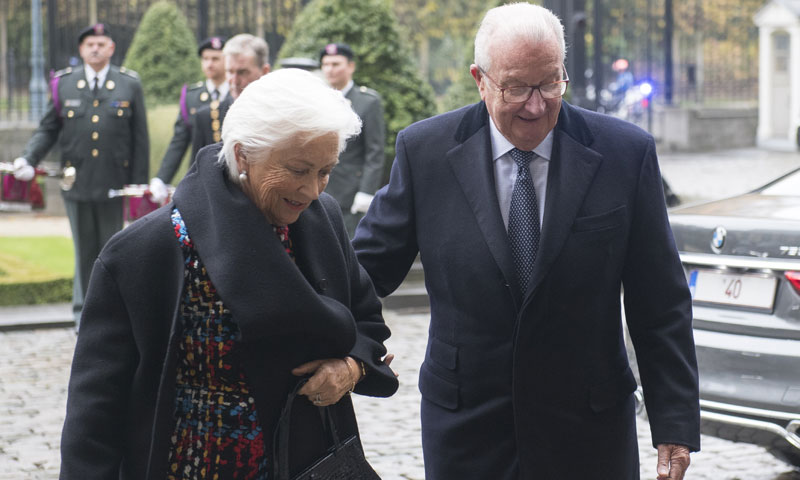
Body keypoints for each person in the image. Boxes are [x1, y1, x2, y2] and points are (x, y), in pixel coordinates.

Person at [352, 4, 699, 480]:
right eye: (516, 87)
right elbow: (365, 272)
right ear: (480, 79)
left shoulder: (624, 153)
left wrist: (674, 421)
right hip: (467, 429)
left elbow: (660, 301)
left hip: (588, 429)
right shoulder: (425, 152)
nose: (536, 106)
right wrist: (352, 345)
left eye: (550, 84)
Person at [60, 68, 399, 479]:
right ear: (242, 155)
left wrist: (350, 369)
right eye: (297, 169)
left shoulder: (320, 218)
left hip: (310, 462)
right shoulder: (145, 252)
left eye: (325, 171)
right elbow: (95, 413)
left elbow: (366, 322)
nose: (312, 190)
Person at [12, 23, 148, 326]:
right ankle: (83, 316)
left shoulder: (129, 84)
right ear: (81, 50)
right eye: (89, 44)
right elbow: (49, 128)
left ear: (111, 48)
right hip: (76, 182)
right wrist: (28, 157)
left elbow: (140, 138)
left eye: (101, 43)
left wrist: (138, 184)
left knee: (113, 250)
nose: (95, 48)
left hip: (115, 184)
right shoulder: (64, 84)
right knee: (84, 250)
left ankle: (113, 315)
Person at [148, 36, 228, 202]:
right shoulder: (192, 96)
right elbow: (180, 140)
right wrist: (162, 178)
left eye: (215, 58)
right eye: (205, 59)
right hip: (202, 177)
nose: (209, 64)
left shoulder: (238, 92)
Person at [319, 43, 386, 237]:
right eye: (326, 64)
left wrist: (366, 192)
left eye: (335, 64)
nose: (329, 69)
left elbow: (375, 151)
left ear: (351, 66)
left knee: (349, 250)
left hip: (351, 195)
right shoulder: (317, 100)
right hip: (320, 189)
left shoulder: (367, 101)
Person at [190, 33, 270, 162]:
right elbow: (195, 176)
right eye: (229, 72)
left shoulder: (279, 115)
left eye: (242, 72)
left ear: (265, 71)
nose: (234, 81)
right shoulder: (207, 117)